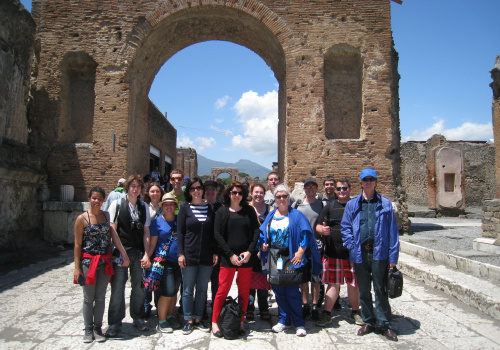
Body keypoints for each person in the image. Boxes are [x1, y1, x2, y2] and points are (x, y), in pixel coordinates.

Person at [341, 168, 400, 342]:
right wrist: (352, 246)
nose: (368, 182)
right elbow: (345, 227)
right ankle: (368, 320)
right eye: (365, 179)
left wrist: (393, 258)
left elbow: (393, 232)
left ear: (375, 182)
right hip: (361, 252)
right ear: (361, 182)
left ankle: (384, 323)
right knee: (364, 289)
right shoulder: (353, 204)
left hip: (379, 252)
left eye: (371, 179)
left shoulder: (385, 204)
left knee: (381, 289)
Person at [259, 184, 322, 337]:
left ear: (289, 197)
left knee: (293, 291)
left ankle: (299, 322)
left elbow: (306, 233)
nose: (282, 199)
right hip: (275, 257)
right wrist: (263, 245)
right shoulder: (271, 215)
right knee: (279, 290)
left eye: (284, 196)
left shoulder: (296, 215)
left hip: (291, 257)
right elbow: (263, 233)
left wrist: (300, 251)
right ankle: (284, 320)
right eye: (278, 197)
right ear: (275, 199)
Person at [73, 187, 130, 343]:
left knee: (100, 297)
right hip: (88, 263)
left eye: (99, 199)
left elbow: (114, 236)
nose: (96, 201)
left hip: (105, 262)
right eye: (94, 198)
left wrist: (123, 253)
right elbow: (77, 245)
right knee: (88, 298)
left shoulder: (106, 216)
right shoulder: (82, 219)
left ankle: (97, 328)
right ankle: (87, 329)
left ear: (104, 200)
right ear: (89, 199)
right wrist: (77, 267)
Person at [211, 182, 260, 338]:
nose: (237, 195)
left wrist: (250, 252)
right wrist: (230, 254)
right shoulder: (222, 211)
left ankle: (240, 320)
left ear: (243, 195)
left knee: (244, 291)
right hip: (228, 257)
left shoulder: (249, 211)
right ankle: (214, 322)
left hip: (245, 257)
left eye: (240, 193)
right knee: (222, 290)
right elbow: (217, 234)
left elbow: (255, 232)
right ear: (229, 193)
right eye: (234, 192)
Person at [105, 175, 152, 337]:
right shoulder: (116, 205)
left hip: (138, 252)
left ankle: (138, 317)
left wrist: (147, 254)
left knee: (138, 287)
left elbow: (146, 231)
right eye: (132, 185)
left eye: (138, 186)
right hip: (120, 253)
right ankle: (114, 322)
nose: (135, 188)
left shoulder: (143, 206)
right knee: (118, 287)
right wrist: (123, 253)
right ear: (127, 187)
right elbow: (112, 230)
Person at [315, 178, 362, 327]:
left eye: (345, 188)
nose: (342, 191)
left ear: (350, 189)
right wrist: (322, 230)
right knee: (333, 284)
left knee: (353, 285)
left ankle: (355, 312)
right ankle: (327, 313)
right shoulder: (329, 207)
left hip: (352, 254)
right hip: (333, 253)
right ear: (335, 191)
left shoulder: (356, 206)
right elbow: (318, 226)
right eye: (339, 189)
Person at [177, 177, 218, 335]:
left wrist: (215, 252)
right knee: (187, 289)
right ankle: (188, 319)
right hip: (189, 255)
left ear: (202, 190)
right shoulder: (185, 208)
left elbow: (213, 233)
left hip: (206, 256)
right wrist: (181, 253)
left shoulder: (210, 209)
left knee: (202, 289)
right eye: (193, 188)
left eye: (199, 188)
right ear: (189, 191)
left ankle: (199, 318)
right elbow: (180, 233)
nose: (196, 191)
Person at [148, 193, 182, 333]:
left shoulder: (180, 221)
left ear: (175, 206)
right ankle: (161, 320)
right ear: (162, 206)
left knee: (174, 291)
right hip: (164, 261)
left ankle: (169, 315)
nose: (169, 207)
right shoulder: (157, 223)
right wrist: (147, 257)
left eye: (171, 204)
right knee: (167, 291)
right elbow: (153, 243)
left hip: (178, 261)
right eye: (166, 204)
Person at [292, 177, 324, 320]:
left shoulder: (321, 205)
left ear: (316, 189)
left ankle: (315, 305)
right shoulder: (297, 205)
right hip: (301, 248)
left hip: (317, 246)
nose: (310, 189)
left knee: (316, 277)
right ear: (304, 189)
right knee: (303, 278)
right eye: (308, 187)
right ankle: (306, 304)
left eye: (313, 187)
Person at [247, 183, 271, 321]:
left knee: (263, 280)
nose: (258, 195)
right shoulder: (246, 209)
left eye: (261, 192)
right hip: (250, 250)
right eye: (256, 192)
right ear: (251, 193)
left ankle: (263, 308)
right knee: (249, 280)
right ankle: (249, 307)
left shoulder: (270, 209)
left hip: (264, 250)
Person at [143, 182, 165, 318]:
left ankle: (159, 304)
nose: (155, 194)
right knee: (146, 277)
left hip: (160, 248)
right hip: (146, 246)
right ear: (148, 193)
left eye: (157, 191)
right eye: (152, 191)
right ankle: (146, 305)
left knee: (158, 278)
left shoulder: (164, 208)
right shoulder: (144, 208)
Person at [204, 180, 223, 315]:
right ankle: (201, 310)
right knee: (202, 283)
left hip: (218, 250)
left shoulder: (222, 207)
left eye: (213, 189)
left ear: (217, 191)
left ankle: (217, 309)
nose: (210, 191)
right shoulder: (198, 206)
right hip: (202, 249)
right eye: (207, 189)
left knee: (217, 281)